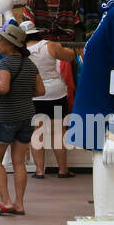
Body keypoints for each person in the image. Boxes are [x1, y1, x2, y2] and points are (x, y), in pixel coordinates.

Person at [0, 24, 45, 216]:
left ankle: (5, 202)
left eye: (2, 40)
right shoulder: (30, 65)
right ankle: (19, 204)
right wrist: (23, 93)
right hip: (26, 115)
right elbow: (40, 91)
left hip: (6, 116)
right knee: (19, 162)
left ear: (11, 44)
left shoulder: (6, 64)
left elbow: (3, 88)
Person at [23, 20, 77, 179]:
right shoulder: (50, 45)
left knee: (36, 133)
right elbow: (70, 56)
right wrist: (68, 49)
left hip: (34, 93)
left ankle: (39, 171)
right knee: (58, 132)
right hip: (56, 93)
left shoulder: (21, 51)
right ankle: (63, 170)